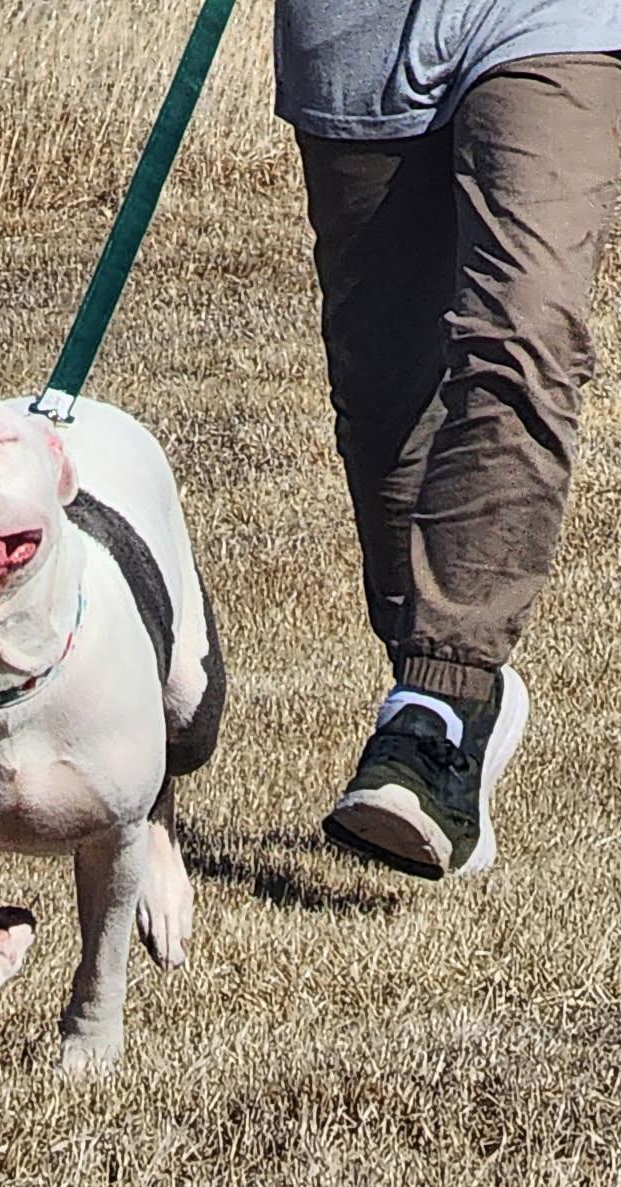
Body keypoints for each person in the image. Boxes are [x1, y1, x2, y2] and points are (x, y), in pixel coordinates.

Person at [273, 4, 621, 879]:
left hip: (554, 24)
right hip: (356, 49)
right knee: (384, 405)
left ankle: (436, 706)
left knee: (524, 338)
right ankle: (447, 711)